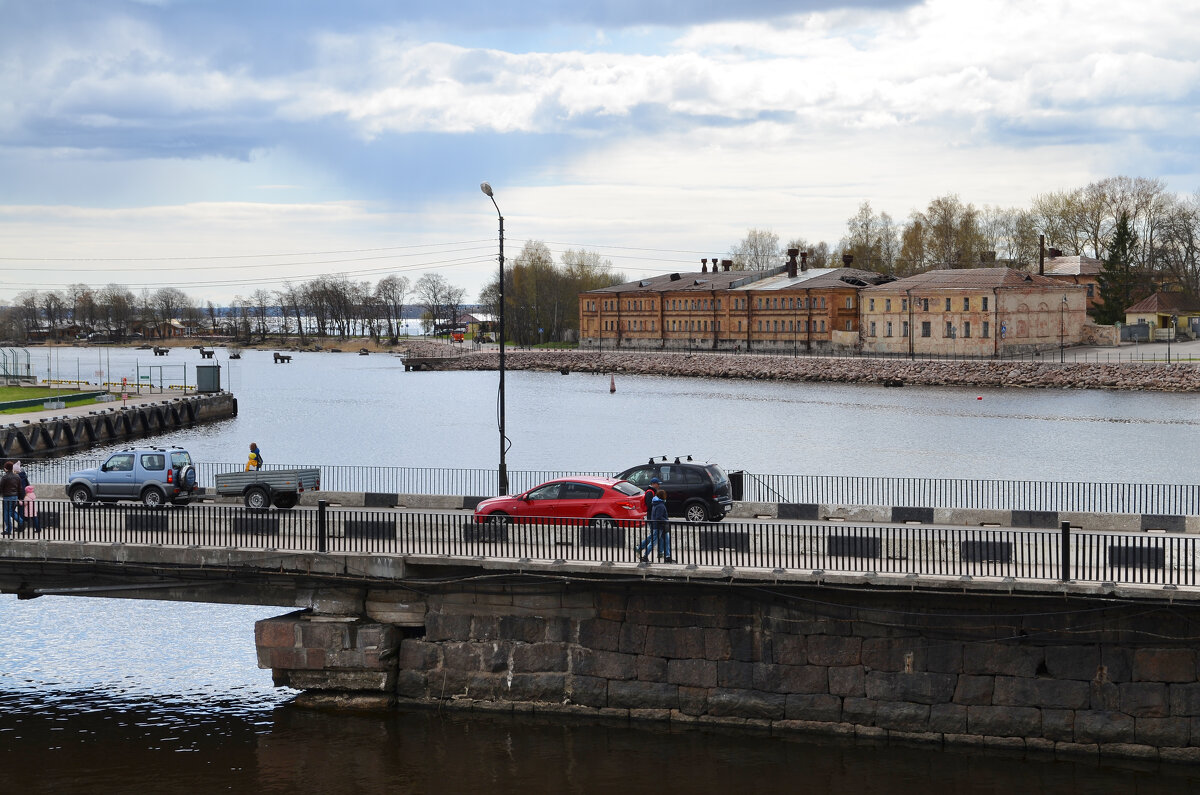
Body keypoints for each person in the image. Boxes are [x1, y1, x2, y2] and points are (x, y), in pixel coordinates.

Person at [636, 485, 673, 564]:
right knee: (653, 542)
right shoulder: (660, 505)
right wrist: (666, 520)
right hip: (659, 526)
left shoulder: (656, 503)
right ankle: (645, 556)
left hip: (659, 526)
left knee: (666, 540)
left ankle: (667, 556)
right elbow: (658, 517)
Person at [2, 461, 23, 536]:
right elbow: (20, 488)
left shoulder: (5, 477)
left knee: (6, 514)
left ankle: (8, 530)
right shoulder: (17, 477)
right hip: (15, 497)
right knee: (11, 512)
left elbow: (1, 488)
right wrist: (20, 498)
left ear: (5, 469)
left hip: (7, 497)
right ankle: (21, 522)